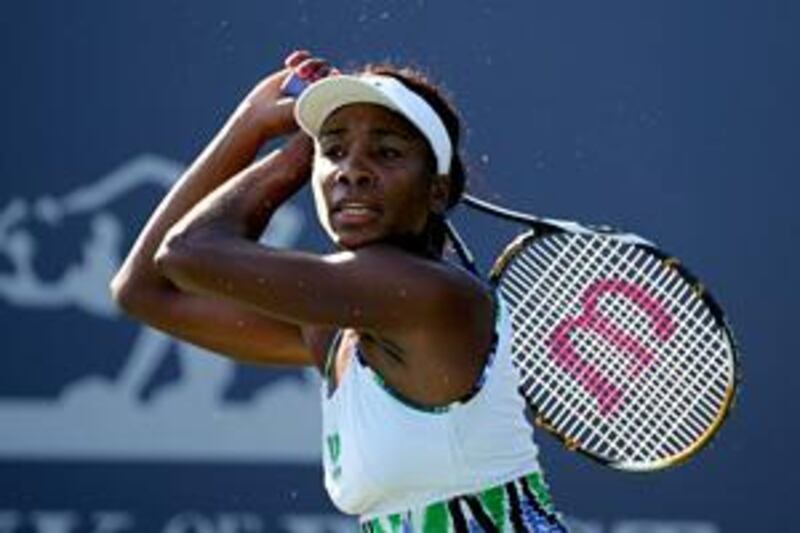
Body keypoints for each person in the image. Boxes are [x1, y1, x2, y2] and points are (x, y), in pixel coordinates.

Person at [111, 50, 569, 532]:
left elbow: (187, 252)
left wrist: (274, 142)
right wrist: (256, 124)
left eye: (387, 152)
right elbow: (142, 291)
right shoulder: (337, 332)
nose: (352, 171)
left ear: (437, 191)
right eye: (333, 153)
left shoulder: (430, 297)